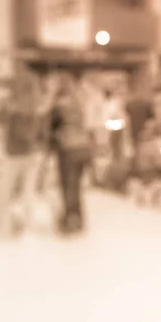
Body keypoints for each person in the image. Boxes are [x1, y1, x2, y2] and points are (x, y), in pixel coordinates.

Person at [0, 68, 48, 234]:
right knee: (29, 190)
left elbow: (3, 126)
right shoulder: (39, 107)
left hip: (14, 153)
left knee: (6, 187)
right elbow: (43, 134)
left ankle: (4, 224)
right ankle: (28, 224)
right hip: (33, 153)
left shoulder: (12, 107)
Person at [49, 71, 93, 234]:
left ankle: (69, 221)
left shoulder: (59, 104)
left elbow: (52, 126)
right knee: (77, 186)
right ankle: (79, 220)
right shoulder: (80, 102)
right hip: (84, 147)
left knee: (68, 185)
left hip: (68, 148)